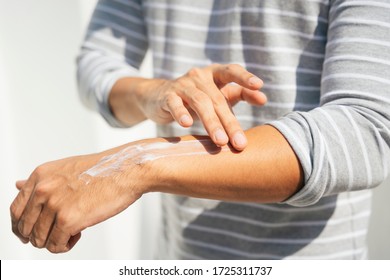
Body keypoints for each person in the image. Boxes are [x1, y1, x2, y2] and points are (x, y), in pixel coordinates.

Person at [10, 0, 390, 259]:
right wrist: (152, 92)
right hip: (178, 258)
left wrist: (135, 163)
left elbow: (362, 131)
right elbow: (96, 62)